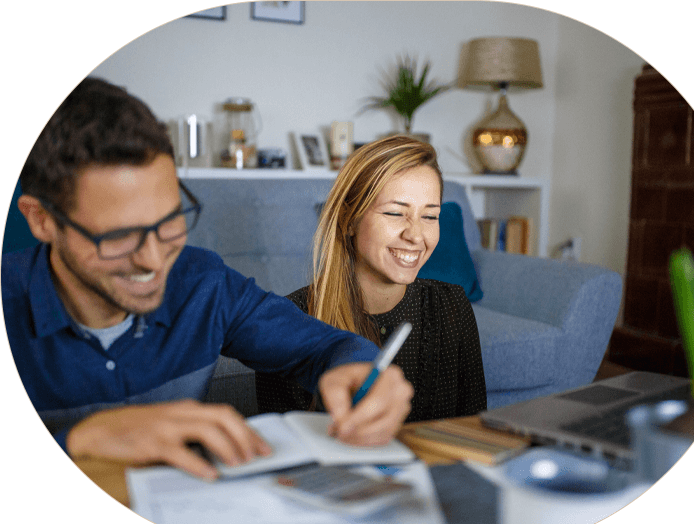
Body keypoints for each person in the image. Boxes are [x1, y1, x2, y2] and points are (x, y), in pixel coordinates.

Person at [2, 77, 413, 481]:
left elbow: (327, 347)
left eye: (170, 221)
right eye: (119, 236)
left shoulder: (204, 283)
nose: (154, 259)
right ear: (41, 220)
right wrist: (78, 438)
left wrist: (361, 369)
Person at [256, 136, 486, 422]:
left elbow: (473, 428)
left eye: (429, 216)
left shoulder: (452, 305)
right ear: (349, 220)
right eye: (394, 213)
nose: (415, 235)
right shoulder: (290, 321)